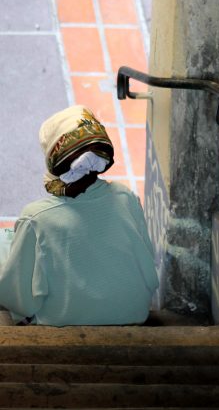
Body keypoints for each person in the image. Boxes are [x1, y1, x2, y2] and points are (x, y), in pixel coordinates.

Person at [0, 105, 158, 326]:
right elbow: (149, 270)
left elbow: (19, 300)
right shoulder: (125, 197)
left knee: (6, 246)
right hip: (133, 314)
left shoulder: (36, 218)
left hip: (63, 322)